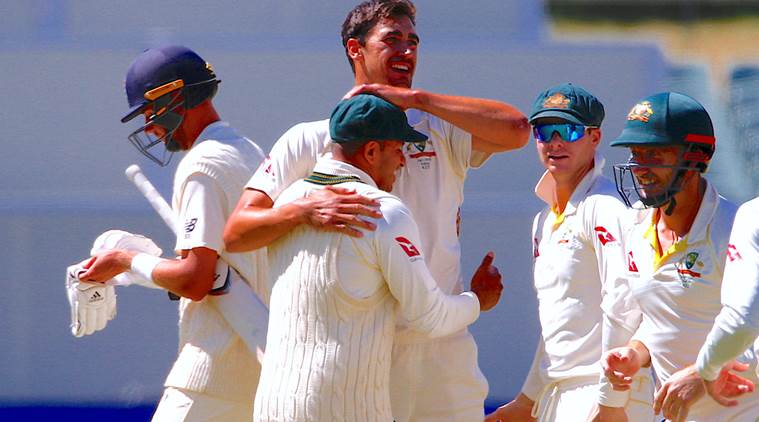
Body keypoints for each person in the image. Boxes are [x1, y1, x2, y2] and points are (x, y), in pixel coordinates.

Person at [223, 1, 529, 420]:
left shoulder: (438, 127)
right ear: (356, 49)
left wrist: (416, 99)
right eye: (392, 39)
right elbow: (238, 232)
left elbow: (518, 130)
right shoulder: (310, 138)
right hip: (364, 349)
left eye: (413, 41)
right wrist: (303, 210)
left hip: (443, 343)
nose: (406, 50)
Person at [253, 93, 503, 422]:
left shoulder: (289, 203)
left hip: (274, 405)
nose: (402, 162)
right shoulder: (383, 211)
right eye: (398, 149)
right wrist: (477, 300)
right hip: (344, 409)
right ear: (371, 151)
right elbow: (428, 317)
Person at [76, 45, 269, 421]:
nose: (149, 126)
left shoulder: (202, 166)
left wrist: (125, 261)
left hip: (213, 374)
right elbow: (220, 273)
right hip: (261, 374)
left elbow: (195, 280)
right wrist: (158, 272)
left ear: (175, 98)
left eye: (149, 112)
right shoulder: (249, 151)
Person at [485, 83, 653, 422]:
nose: (556, 142)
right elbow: (558, 323)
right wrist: (527, 401)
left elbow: (624, 303)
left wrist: (610, 401)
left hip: (604, 394)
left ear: (594, 137)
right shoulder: (544, 220)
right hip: (559, 394)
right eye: (545, 130)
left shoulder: (605, 207)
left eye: (569, 130)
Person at [600, 92, 759, 421]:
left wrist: (705, 373)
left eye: (654, 154)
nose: (640, 168)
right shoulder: (635, 227)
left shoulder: (733, 229)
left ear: (695, 158)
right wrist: (636, 352)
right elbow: (667, 317)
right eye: (635, 154)